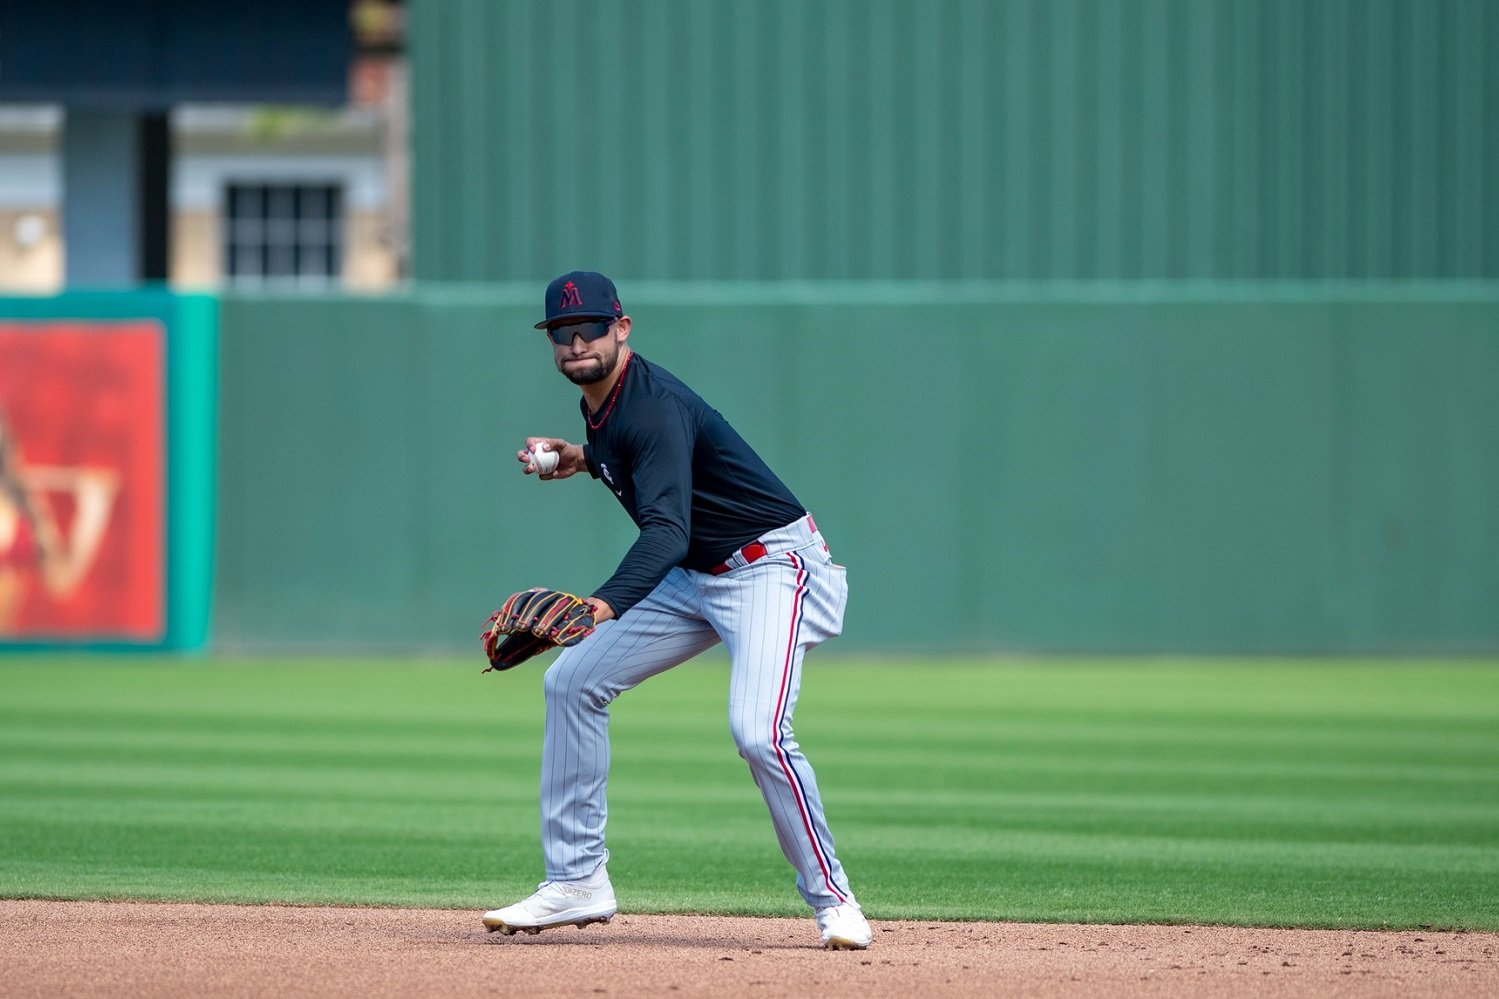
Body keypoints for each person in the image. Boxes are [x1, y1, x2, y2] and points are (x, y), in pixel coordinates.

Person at [482, 271, 871, 950]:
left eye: (591, 329)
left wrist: (601, 605)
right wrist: (576, 458)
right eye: (562, 334)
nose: (577, 343)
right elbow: (629, 460)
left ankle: (832, 898)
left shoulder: (651, 405)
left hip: (769, 567)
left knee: (758, 731)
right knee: (571, 682)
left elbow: (666, 530)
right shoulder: (603, 404)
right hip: (695, 574)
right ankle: (576, 880)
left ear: (622, 329)